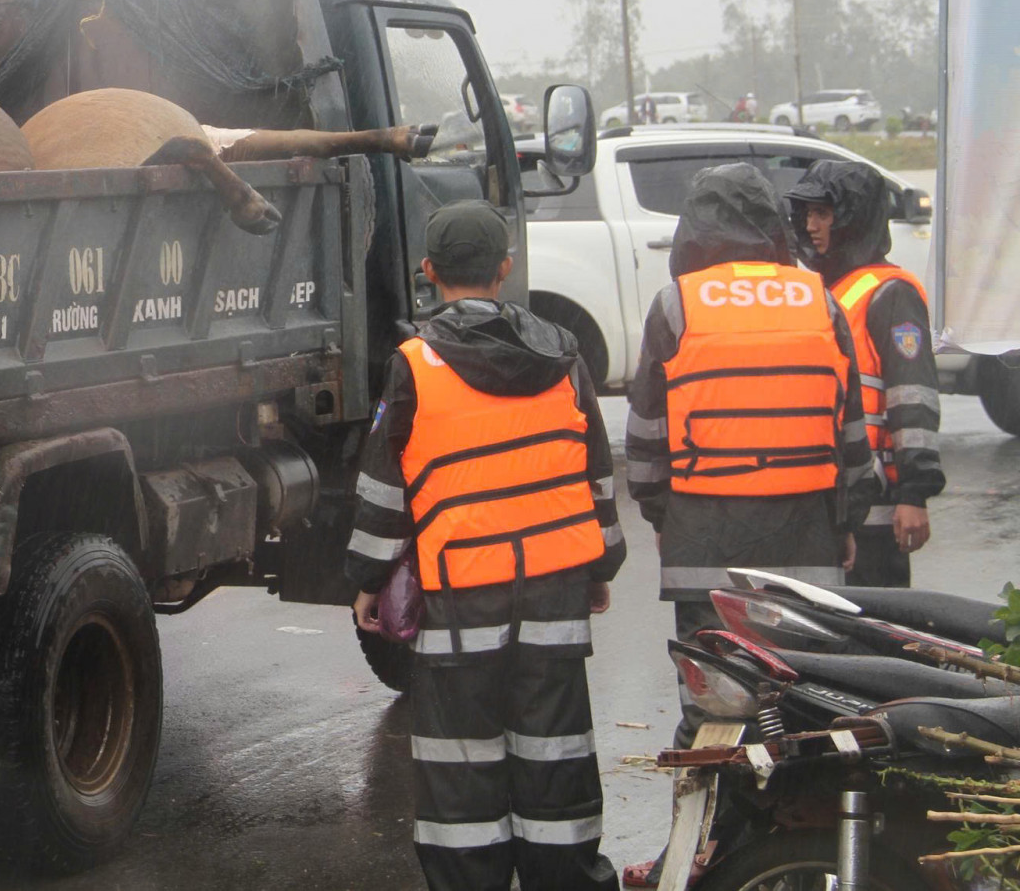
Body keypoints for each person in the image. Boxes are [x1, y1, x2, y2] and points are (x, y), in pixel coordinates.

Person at [348, 200, 624, 891]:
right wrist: (600, 565)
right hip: (556, 587)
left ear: (429, 272)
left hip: (462, 595)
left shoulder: (415, 364)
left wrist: (368, 579)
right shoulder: (562, 353)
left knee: (462, 765)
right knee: (554, 753)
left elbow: (385, 489)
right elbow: (594, 474)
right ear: (505, 269)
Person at [622, 164, 875, 747]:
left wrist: (662, 516)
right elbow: (850, 434)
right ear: (773, 227)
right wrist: (848, 520)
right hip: (807, 538)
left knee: (716, 705)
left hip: (703, 542)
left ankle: (715, 829)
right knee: (804, 703)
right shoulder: (822, 303)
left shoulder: (676, 305)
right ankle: (797, 826)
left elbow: (645, 438)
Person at [786, 161, 943, 586]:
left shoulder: (891, 293)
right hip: (833, 502)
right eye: (807, 214)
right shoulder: (827, 291)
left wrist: (914, 494)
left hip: (879, 507)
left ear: (853, 217)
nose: (811, 225)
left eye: (823, 213)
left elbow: (914, 397)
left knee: (878, 631)